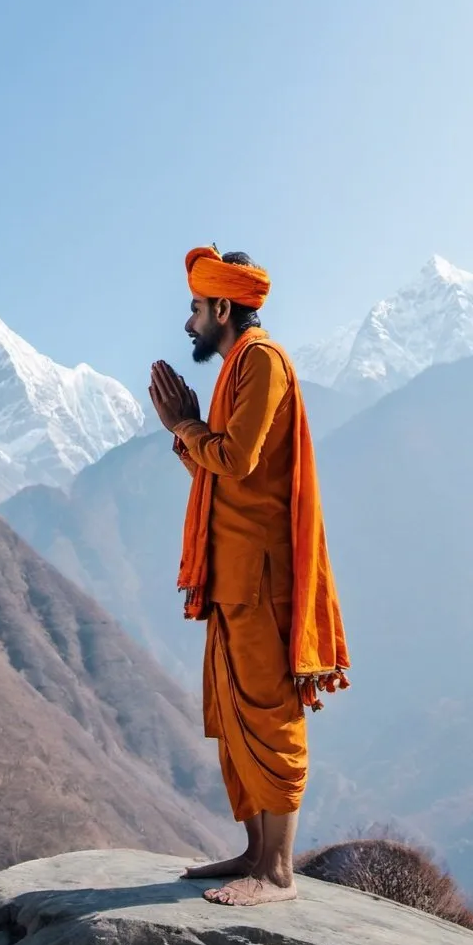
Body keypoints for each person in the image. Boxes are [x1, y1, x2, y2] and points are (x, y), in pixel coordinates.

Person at [148, 246, 350, 907]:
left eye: (196, 309)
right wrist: (187, 435)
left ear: (224, 307)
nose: (189, 324)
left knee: (272, 715)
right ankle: (254, 853)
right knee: (238, 719)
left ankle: (279, 872)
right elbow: (221, 478)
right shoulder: (237, 365)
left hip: (260, 579)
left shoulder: (261, 362)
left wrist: (185, 425)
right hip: (233, 578)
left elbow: (231, 459)